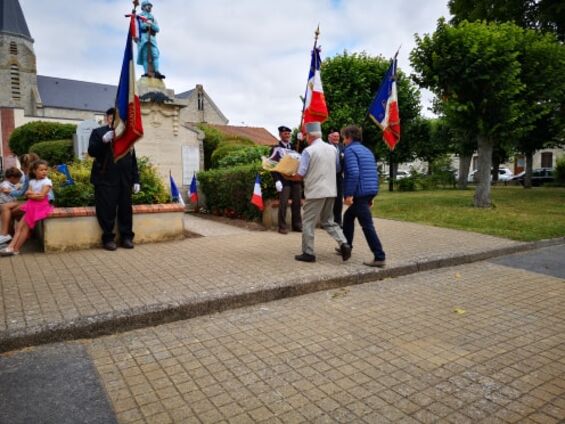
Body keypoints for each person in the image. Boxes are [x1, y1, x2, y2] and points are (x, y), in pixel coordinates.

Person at [287, 122, 351, 263]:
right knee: (329, 221)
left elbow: (300, 174)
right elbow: (337, 168)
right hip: (331, 190)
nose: (305, 139)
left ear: (310, 136)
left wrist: (286, 175)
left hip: (315, 192)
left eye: (306, 136)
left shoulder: (308, 151)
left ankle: (308, 253)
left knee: (308, 222)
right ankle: (344, 243)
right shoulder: (332, 149)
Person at [88, 108, 140, 251]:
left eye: (119, 119)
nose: (116, 121)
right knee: (107, 210)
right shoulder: (98, 133)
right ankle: (108, 238)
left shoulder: (126, 136)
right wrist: (104, 141)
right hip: (105, 179)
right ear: (107, 118)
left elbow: (132, 160)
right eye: (112, 118)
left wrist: (136, 179)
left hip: (124, 180)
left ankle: (126, 237)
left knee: (125, 210)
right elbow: (92, 151)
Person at [341, 125, 386, 267]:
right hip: (368, 191)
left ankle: (379, 256)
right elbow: (372, 173)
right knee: (348, 217)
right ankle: (346, 246)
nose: (343, 141)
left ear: (348, 137)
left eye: (344, 137)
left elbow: (354, 173)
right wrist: (372, 195)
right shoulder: (367, 150)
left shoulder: (350, 151)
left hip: (359, 193)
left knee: (367, 225)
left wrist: (348, 194)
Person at [0, 160, 53, 256]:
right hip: (31, 205)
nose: (44, 172)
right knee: (20, 227)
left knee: (24, 228)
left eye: (45, 169)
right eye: (41, 170)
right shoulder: (32, 181)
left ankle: (14, 248)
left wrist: (32, 194)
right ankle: (13, 248)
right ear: (34, 171)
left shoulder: (47, 181)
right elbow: (28, 194)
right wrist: (33, 195)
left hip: (39, 207)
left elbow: (41, 196)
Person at [0, 153, 39, 245]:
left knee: (7, 210)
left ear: (28, 166)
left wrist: (10, 192)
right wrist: (10, 192)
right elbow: (21, 192)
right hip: (31, 200)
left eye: (22, 166)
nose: (21, 168)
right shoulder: (27, 177)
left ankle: (6, 235)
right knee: (6, 208)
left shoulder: (37, 176)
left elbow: (24, 193)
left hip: (35, 202)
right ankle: (6, 236)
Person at [269, 125, 302, 234]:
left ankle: (297, 225)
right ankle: (282, 226)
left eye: (288, 134)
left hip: (295, 178)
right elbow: (271, 165)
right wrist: (276, 180)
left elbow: (304, 156)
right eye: (285, 134)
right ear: (280, 135)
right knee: (283, 203)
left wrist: (302, 140)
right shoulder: (275, 149)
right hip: (283, 179)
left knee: (297, 202)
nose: (287, 135)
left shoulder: (294, 147)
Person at [137, 0, 165, 79]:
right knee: (145, 56)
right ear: (143, 7)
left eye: (150, 6)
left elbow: (157, 29)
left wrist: (151, 24)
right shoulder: (139, 16)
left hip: (152, 38)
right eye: (147, 5)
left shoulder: (153, 18)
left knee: (155, 54)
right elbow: (139, 27)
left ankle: (156, 71)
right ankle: (146, 73)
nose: (149, 7)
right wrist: (145, 24)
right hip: (144, 38)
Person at [328, 130, 344, 227]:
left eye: (337, 136)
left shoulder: (342, 147)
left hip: (338, 176)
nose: (336, 138)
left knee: (338, 200)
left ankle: (338, 220)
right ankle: (327, 220)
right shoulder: (326, 147)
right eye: (334, 137)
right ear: (329, 138)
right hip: (328, 176)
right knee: (328, 199)